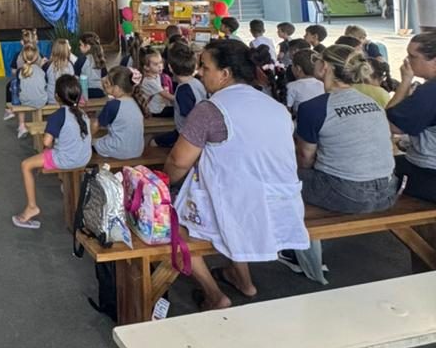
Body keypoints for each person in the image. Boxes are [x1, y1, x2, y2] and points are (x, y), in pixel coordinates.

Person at [166, 40, 308, 310]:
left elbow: (178, 161)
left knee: (172, 225)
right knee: (228, 201)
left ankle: (213, 295)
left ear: (225, 74)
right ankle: (243, 280)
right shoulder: (275, 106)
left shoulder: (211, 110)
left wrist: (164, 183)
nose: (200, 72)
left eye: (205, 67)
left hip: (237, 205)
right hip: (281, 207)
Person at [285, 45, 397, 283]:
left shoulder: (314, 108)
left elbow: (305, 158)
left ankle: (294, 248)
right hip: (388, 191)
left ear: (324, 67)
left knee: (280, 178)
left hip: (347, 194)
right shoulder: (372, 101)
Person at [12, 75, 91, 229]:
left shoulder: (58, 115)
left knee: (26, 165)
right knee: (51, 156)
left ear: (56, 96)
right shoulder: (83, 113)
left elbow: (47, 142)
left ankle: (31, 207)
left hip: (66, 159)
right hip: (84, 157)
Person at [387, 32, 436, 203]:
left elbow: (391, 126)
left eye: (412, 56)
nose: (406, 61)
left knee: (377, 170)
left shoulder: (430, 92)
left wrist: (405, 81)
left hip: (428, 174)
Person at [155, 42, 206, 147]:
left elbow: (189, 117)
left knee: (153, 142)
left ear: (170, 67)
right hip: (196, 132)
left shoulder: (183, 90)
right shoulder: (196, 82)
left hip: (186, 136)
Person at [93, 67, 145, 159]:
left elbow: (96, 125)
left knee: (92, 142)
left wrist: (85, 138)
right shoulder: (135, 101)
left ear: (116, 88)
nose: (105, 84)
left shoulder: (113, 105)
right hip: (137, 150)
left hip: (120, 150)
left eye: (108, 83)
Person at [4, 29, 39, 120]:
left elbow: (13, 71)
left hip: (22, 85)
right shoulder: (39, 55)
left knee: (9, 86)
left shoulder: (18, 55)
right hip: (37, 85)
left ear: (21, 42)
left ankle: (9, 109)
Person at [13, 44, 47, 138]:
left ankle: (21, 124)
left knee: (17, 91)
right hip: (42, 101)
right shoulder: (41, 70)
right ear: (36, 57)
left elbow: (20, 86)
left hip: (25, 101)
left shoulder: (21, 70)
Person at [285, 49, 323, 115]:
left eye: (292, 65)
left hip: (301, 121)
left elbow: (287, 110)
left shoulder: (292, 86)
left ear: (298, 69)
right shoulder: (323, 84)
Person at [140, 48, 174, 118]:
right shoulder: (149, 81)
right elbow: (166, 95)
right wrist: (182, 99)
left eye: (161, 62)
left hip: (160, 107)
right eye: (156, 64)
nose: (160, 66)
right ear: (146, 67)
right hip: (155, 111)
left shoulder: (157, 76)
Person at [75, 32, 107, 99]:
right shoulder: (100, 58)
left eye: (81, 44)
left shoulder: (81, 59)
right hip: (100, 92)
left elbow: (75, 79)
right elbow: (104, 79)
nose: (79, 47)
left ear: (88, 46)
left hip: (85, 93)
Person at [43, 39, 74, 105]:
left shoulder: (48, 65)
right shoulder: (70, 65)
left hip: (51, 99)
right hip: (67, 99)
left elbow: (43, 80)